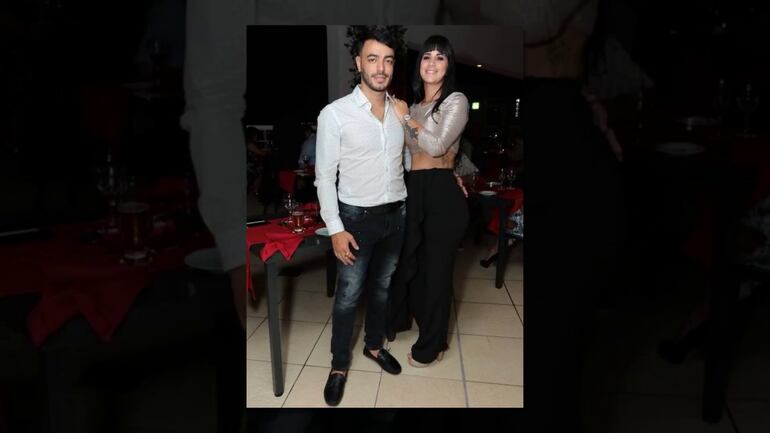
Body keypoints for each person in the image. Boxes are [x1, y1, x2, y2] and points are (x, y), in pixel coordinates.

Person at [314, 27, 406, 406]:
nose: (380, 68)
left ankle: (373, 346)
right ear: (358, 63)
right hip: (355, 219)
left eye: (388, 60)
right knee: (349, 296)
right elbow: (324, 177)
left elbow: (406, 161)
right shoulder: (335, 114)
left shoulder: (400, 112)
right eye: (372, 59)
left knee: (382, 288)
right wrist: (336, 228)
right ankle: (339, 365)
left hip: (396, 215)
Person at [387, 34, 470, 367]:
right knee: (413, 266)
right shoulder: (414, 106)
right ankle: (413, 320)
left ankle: (431, 347)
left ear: (448, 65)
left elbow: (436, 147)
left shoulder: (455, 100)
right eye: (426, 56)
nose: (432, 63)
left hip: (441, 192)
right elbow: (411, 156)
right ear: (418, 64)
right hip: (416, 187)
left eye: (440, 57)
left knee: (436, 273)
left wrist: (405, 118)